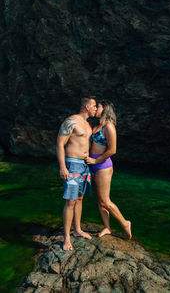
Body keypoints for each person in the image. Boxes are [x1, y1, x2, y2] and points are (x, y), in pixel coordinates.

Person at [85, 101, 132, 239]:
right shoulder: (98, 125)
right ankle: (107, 227)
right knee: (100, 200)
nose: (95, 108)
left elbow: (112, 150)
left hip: (103, 165)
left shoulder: (109, 126)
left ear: (104, 108)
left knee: (105, 200)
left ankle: (125, 223)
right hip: (93, 165)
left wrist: (95, 161)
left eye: (98, 106)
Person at [56, 96, 97, 251]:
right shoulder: (71, 121)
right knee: (70, 201)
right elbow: (60, 144)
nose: (95, 109)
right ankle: (66, 238)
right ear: (86, 106)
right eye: (93, 106)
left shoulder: (88, 125)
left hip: (85, 166)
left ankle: (77, 230)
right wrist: (62, 167)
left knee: (80, 198)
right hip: (72, 164)